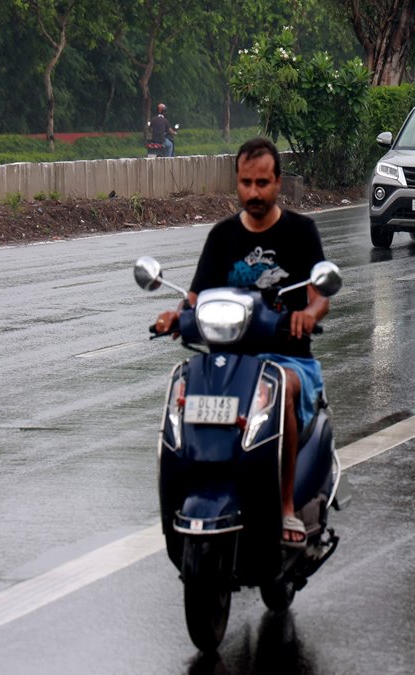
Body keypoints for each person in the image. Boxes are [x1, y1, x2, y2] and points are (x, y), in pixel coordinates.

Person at [153, 137, 328, 547]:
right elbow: (195, 297)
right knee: (183, 388)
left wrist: (308, 314)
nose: (254, 192)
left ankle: (285, 505)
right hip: (228, 365)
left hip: (288, 361)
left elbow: (321, 294)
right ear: (237, 182)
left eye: (262, 183)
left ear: (278, 182)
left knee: (280, 389)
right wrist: (175, 316)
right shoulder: (222, 236)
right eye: (246, 182)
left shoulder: (301, 232)